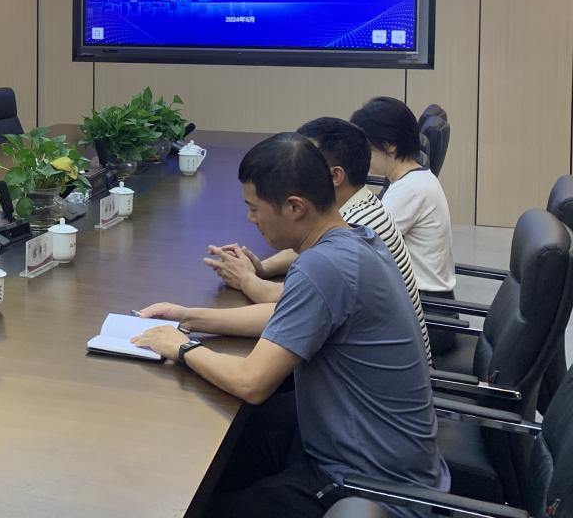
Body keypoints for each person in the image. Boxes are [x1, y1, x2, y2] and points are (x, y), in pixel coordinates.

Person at [132, 133, 447, 518]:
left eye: (254, 208)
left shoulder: (323, 266)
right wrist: (187, 316)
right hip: (365, 454)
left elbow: (252, 382)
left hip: (363, 483)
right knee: (209, 456)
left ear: (295, 207)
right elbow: (286, 318)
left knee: (195, 499)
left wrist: (182, 348)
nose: (250, 219)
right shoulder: (355, 240)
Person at [205, 117, 430, 362]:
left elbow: (286, 302)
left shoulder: (357, 228)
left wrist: (246, 279)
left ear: (334, 176)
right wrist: (262, 268)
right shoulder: (352, 215)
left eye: (309, 160)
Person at [350, 97, 456, 349]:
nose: (362, 156)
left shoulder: (410, 190)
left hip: (428, 318)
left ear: (389, 146)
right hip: (426, 306)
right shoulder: (414, 178)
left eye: (366, 147)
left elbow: (351, 246)